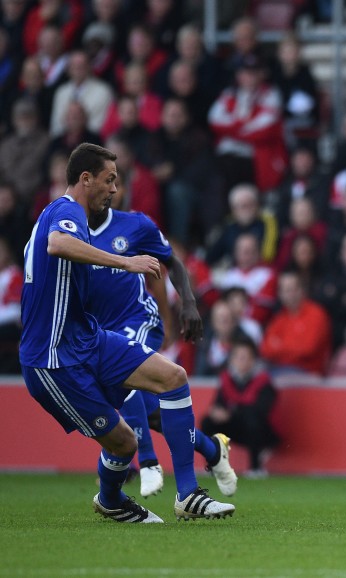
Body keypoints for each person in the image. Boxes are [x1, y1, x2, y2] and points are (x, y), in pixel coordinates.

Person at [20, 143, 233, 522]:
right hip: (52, 358)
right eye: (109, 180)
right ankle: (112, 499)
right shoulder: (66, 210)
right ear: (85, 179)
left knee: (173, 378)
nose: (114, 189)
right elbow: (57, 244)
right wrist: (125, 261)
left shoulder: (88, 218)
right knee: (124, 442)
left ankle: (188, 495)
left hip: (89, 338)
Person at [83, 178, 238, 500]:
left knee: (122, 378)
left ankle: (149, 462)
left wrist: (187, 307)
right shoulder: (69, 233)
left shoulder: (136, 225)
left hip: (138, 320)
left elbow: (168, 265)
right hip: (99, 332)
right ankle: (213, 449)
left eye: (117, 182)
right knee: (155, 413)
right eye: (107, 181)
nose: (112, 190)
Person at [201, 336, 281, 477]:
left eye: (246, 357)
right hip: (235, 427)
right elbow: (218, 404)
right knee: (207, 422)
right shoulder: (227, 380)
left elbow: (260, 411)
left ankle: (255, 468)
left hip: (261, 432)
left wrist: (231, 413)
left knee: (252, 419)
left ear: (253, 360)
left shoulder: (263, 381)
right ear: (231, 360)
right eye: (238, 357)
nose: (241, 361)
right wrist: (217, 412)